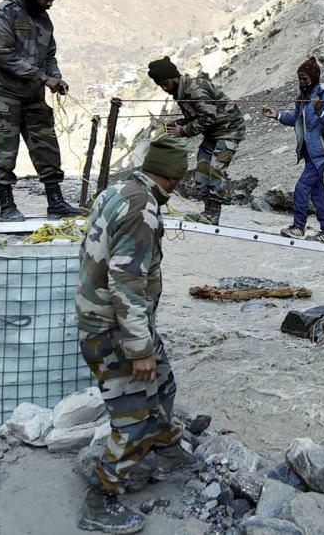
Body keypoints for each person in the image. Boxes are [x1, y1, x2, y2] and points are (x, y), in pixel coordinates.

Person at [75, 138, 202, 533]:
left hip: (126, 323)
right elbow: (126, 280)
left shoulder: (118, 190)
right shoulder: (141, 208)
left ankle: (166, 445)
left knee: (163, 382)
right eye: (178, 180)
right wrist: (139, 347)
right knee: (133, 418)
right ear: (171, 177)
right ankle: (101, 498)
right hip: (115, 331)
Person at [0, 0, 87, 221]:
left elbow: (49, 54)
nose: (50, 3)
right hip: (4, 95)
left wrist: (56, 76)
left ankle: (56, 202)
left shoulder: (43, 18)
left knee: (47, 148)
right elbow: (3, 55)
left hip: (33, 96)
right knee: (5, 151)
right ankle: (6, 204)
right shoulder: (3, 14)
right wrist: (43, 78)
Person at [147, 56, 246, 225]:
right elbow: (197, 117)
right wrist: (179, 124)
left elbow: (208, 117)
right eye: (160, 85)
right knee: (202, 168)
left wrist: (183, 130)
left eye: (165, 84)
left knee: (215, 170)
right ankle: (208, 211)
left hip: (229, 130)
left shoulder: (195, 90)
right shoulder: (181, 92)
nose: (164, 88)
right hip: (213, 133)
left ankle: (213, 215)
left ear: (173, 78)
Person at [263, 57, 324, 243]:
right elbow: (296, 119)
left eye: (304, 79)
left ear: (314, 78)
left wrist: (321, 113)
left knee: (302, 187)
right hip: (310, 153)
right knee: (317, 192)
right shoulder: (302, 99)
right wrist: (277, 116)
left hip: (323, 153)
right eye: (299, 79)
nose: (301, 83)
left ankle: (298, 227)